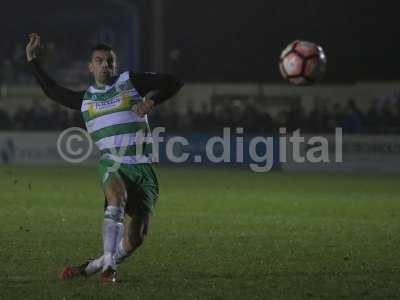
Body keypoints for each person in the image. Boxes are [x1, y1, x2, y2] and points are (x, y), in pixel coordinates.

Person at [26, 33, 183, 283]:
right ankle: (109, 268)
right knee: (116, 199)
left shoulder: (128, 82)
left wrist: (150, 101)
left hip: (143, 168)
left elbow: (173, 81)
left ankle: (91, 267)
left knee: (137, 237)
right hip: (113, 162)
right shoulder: (85, 99)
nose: (105, 65)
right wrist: (33, 62)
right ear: (91, 67)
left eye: (109, 61)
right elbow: (52, 90)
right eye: (99, 61)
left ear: (115, 65)